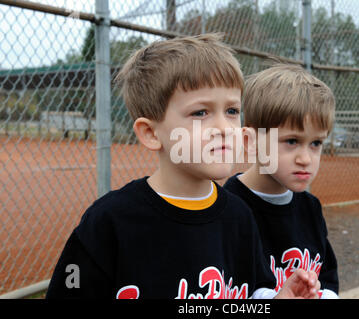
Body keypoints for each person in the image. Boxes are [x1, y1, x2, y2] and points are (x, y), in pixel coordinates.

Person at [46, 34, 319, 299]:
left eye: (232, 111)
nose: (224, 128)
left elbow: (254, 290)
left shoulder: (239, 216)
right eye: (200, 113)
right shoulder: (110, 222)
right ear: (151, 133)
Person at [224, 64, 339, 299]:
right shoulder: (229, 208)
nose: (305, 158)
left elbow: (327, 274)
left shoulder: (310, 206)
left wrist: (324, 294)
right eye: (291, 141)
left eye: (316, 143)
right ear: (251, 141)